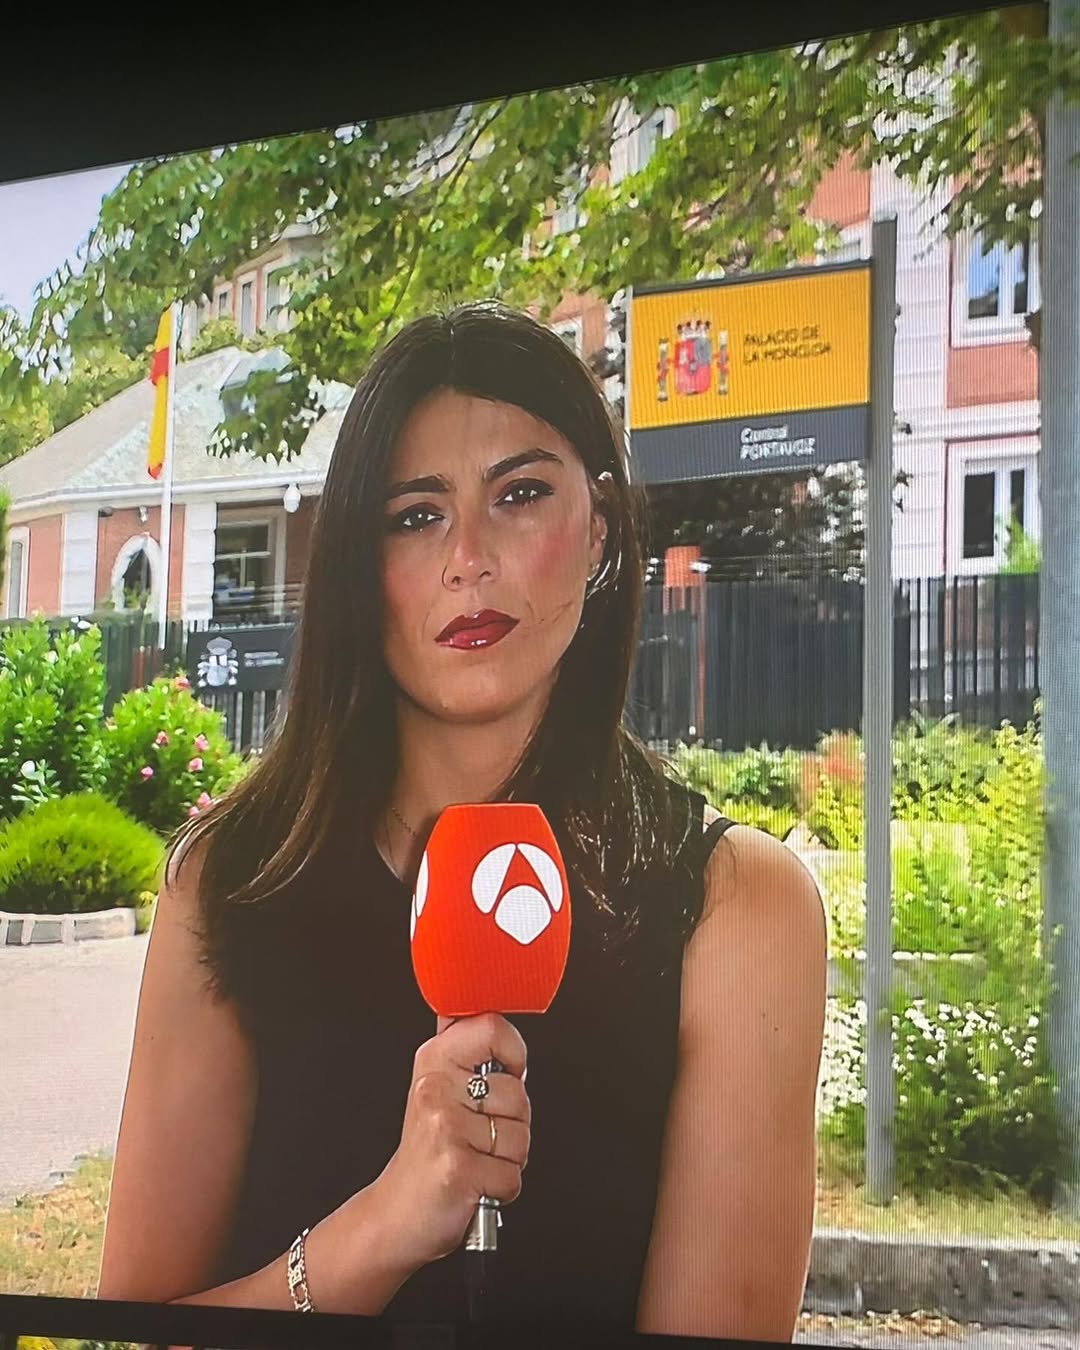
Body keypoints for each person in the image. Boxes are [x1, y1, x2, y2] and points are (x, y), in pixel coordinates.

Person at [98, 301, 826, 1342]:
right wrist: (384, 1228)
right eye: (415, 515)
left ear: (601, 529)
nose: (468, 559)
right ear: (358, 562)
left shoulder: (738, 906)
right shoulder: (227, 885)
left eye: (520, 494)